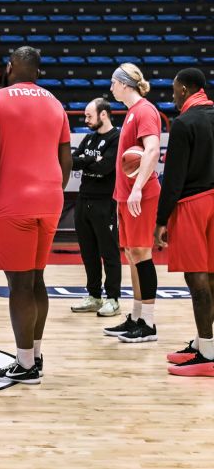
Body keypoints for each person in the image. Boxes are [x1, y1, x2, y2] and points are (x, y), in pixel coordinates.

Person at [0, 46, 72, 384]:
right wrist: (52, 189)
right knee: (37, 278)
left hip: (14, 202)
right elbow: (66, 158)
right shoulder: (55, 103)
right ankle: (36, 355)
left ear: (11, 66)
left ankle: (25, 363)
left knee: (18, 284)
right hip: (51, 199)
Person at [155, 68, 214, 376]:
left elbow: (174, 178)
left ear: (187, 89)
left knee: (197, 279)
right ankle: (205, 343)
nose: (173, 95)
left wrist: (161, 219)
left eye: (176, 90)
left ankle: (207, 356)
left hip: (194, 203)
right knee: (212, 275)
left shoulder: (183, 123)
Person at [102, 63, 162, 343]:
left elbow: (152, 150)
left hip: (141, 196)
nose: (111, 88)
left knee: (142, 253)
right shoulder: (131, 113)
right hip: (125, 196)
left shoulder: (145, 111)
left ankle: (148, 323)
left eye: (113, 83)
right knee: (132, 255)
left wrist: (137, 188)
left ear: (125, 84)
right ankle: (137, 317)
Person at [69, 98, 122, 317]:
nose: (86, 119)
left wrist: (87, 161)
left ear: (103, 114)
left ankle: (113, 299)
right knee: (88, 252)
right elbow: (73, 161)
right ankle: (94, 296)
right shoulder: (89, 138)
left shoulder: (117, 138)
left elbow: (104, 168)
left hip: (105, 201)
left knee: (109, 252)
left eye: (90, 115)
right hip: (83, 200)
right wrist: (91, 160)